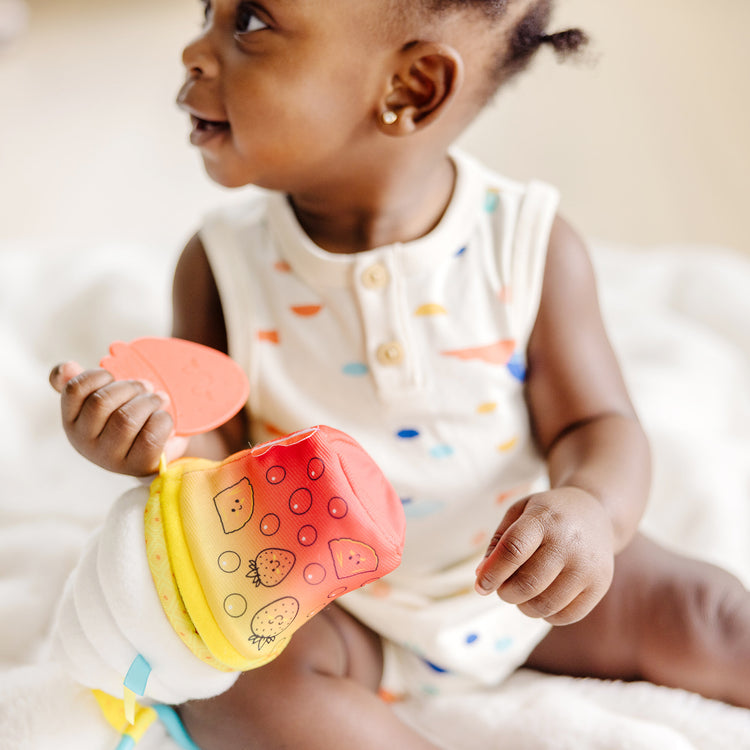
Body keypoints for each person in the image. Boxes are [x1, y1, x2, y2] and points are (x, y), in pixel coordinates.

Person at [49, 0, 750, 747]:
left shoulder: (526, 244)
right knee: (232, 696)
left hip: (522, 578)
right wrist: (150, 444)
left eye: (249, 23)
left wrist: (590, 515)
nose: (195, 50)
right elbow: (214, 457)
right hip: (337, 608)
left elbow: (596, 424)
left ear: (411, 90)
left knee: (712, 617)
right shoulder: (221, 263)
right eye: (207, 13)